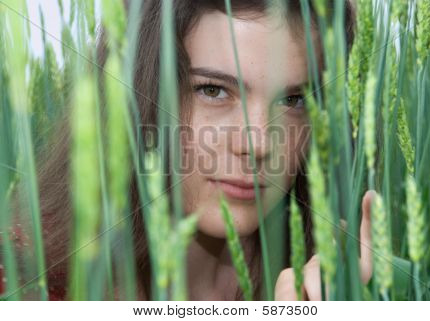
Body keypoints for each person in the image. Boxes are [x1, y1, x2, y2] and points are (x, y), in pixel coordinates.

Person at [1, 0, 374, 301]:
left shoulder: (328, 275)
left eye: (294, 99)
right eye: (212, 90)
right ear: (136, 91)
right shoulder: (27, 278)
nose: (259, 144)